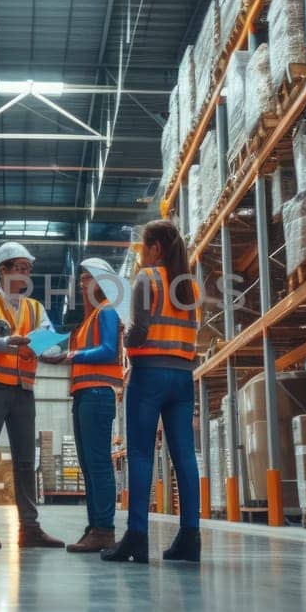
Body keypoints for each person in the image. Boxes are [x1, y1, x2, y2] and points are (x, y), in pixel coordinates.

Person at [103, 219, 203, 564]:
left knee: (142, 455)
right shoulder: (189, 286)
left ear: (156, 248)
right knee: (185, 457)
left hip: (149, 376)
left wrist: (124, 336)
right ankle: (190, 537)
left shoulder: (148, 278)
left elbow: (141, 331)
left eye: (143, 248)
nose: (140, 256)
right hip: (182, 377)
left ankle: (136, 537)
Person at [0, 242, 66, 550]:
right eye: (20, 268)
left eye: (28, 269)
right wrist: (11, 341)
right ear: (3, 270)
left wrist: (51, 351)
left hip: (23, 391)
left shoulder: (35, 308)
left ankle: (29, 528)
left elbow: (49, 342)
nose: (25, 274)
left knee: (25, 461)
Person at [39, 258, 125, 553]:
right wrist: (54, 353)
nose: (81, 283)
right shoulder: (86, 321)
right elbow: (80, 352)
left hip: (98, 394)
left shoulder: (108, 310)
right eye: (81, 278)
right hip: (83, 395)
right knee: (89, 464)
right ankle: (95, 526)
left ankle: (104, 529)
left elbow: (109, 350)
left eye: (87, 277)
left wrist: (71, 355)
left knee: (98, 463)